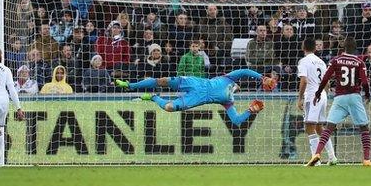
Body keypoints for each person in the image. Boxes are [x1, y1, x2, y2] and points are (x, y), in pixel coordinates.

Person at [114, 69, 269, 126]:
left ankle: (153, 97)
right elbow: (245, 71)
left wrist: (250, 111)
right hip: (195, 83)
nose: (237, 88)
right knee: (163, 81)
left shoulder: (228, 101)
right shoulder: (228, 78)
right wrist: (262, 78)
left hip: (196, 99)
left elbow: (236, 121)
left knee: (169, 107)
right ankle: (130, 85)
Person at [306, 37, 371, 167]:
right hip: (354, 97)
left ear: (344, 47)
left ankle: (317, 154)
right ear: (355, 48)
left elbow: (325, 78)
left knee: (329, 127)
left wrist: (318, 93)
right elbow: (365, 82)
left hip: (339, 98)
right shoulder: (359, 62)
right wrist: (367, 95)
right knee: (364, 127)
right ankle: (366, 159)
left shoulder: (335, 60)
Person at [297, 38, 338, 166]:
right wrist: (325, 94)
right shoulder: (321, 62)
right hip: (323, 95)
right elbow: (326, 81)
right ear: (315, 48)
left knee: (309, 127)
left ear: (303, 47)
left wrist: (300, 98)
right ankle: (332, 157)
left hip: (312, 96)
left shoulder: (303, 61)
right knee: (320, 128)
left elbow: (304, 80)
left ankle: (316, 160)